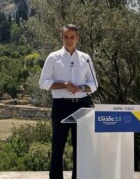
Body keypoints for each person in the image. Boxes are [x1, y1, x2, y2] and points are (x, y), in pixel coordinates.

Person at [39, 24, 97, 179]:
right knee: (58, 145)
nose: (69, 40)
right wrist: (63, 84)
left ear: (77, 38)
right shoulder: (53, 57)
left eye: (72, 37)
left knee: (81, 147)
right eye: (66, 37)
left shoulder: (86, 58)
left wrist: (81, 88)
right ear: (62, 38)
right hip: (61, 105)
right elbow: (43, 82)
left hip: (82, 106)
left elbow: (94, 84)